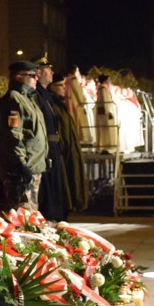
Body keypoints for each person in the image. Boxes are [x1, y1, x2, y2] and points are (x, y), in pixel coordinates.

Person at [0, 60, 49, 211]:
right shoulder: (14, 99)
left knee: (31, 215)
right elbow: (13, 136)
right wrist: (21, 164)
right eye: (33, 75)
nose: (37, 78)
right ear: (19, 77)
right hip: (22, 170)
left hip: (33, 167)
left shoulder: (28, 99)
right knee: (22, 215)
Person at [32, 54, 69, 221]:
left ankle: (57, 215)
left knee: (56, 185)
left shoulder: (46, 95)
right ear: (39, 74)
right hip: (46, 148)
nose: (52, 72)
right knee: (49, 187)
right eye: (48, 69)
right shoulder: (37, 95)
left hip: (53, 147)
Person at [49, 74, 88, 213]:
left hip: (68, 150)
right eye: (61, 85)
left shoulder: (61, 105)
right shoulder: (53, 105)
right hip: (61, 152)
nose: (64, 88)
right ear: (52, 88)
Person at [95, 74, 119, 153]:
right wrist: (108, 112)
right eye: (108, 80)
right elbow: (105, 101)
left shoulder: (103, 89)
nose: (110, 81)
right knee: (106, 130)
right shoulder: (103, 89)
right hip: (105, 114)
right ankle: (106, 147)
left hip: (105, 112)